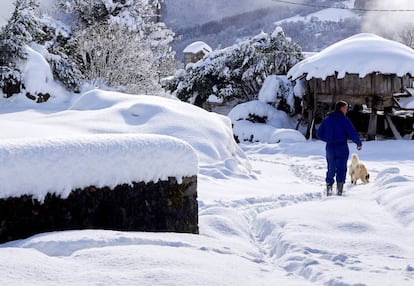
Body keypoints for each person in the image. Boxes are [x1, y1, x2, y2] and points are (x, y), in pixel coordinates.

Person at [317, 101, 362, 196]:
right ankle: (339, 191)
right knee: (341, 168)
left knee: (331, 167)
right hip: (341, 147)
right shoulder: (344, 119)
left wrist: (328, 139)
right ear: (341, 108)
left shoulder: (327, 119)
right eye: (346, 108)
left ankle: (329, 189)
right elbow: (352, 132)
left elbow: (319, 134)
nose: (347, 110)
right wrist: (358, 143)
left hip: (330, 147)